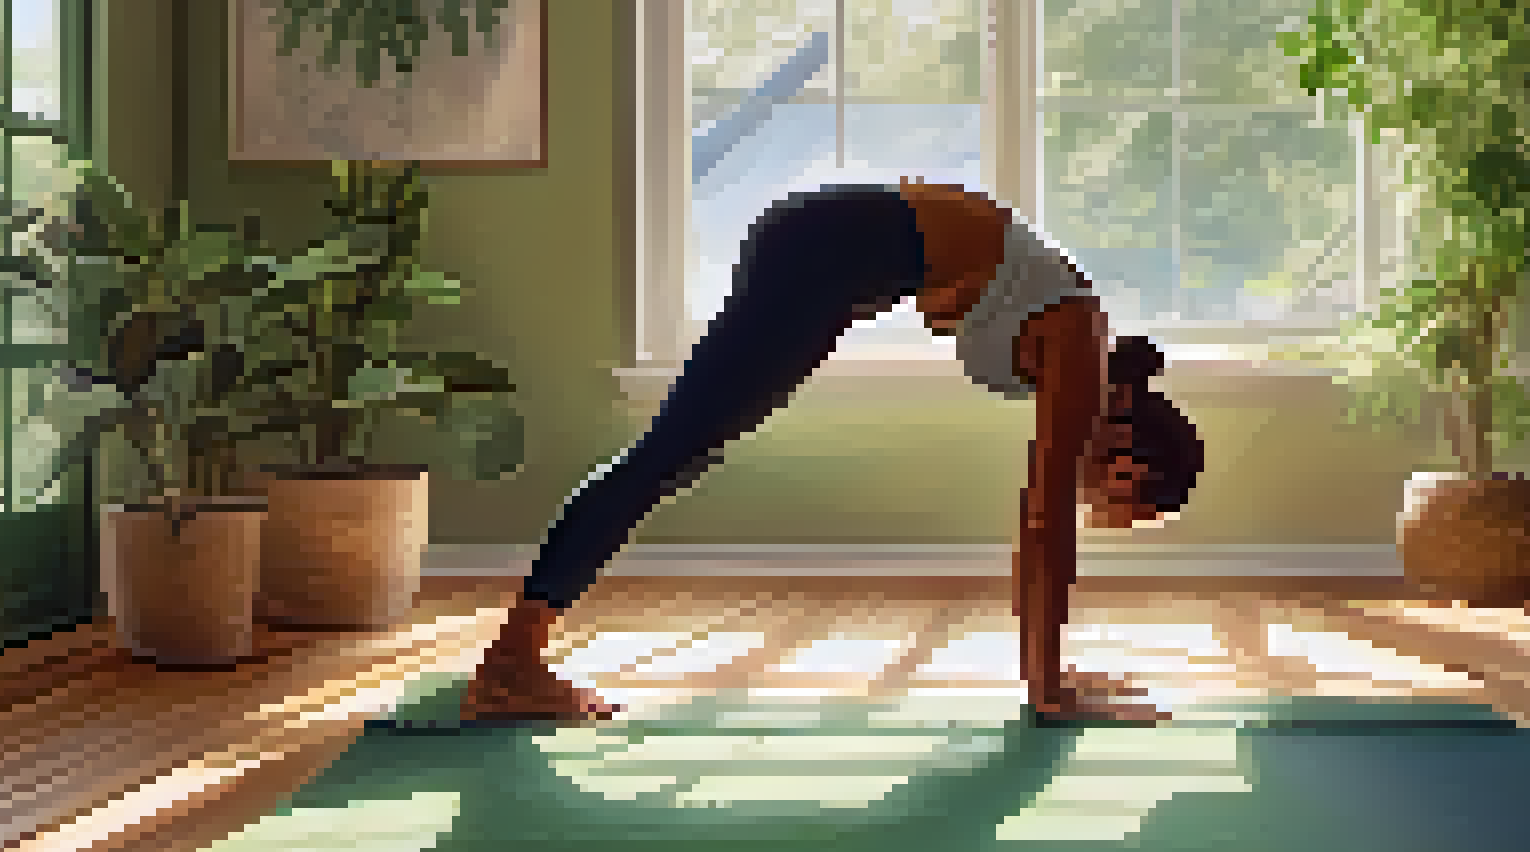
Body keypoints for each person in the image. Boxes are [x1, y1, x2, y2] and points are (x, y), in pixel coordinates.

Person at [460, 177, 1206, 724]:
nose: (1096, 504)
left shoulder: (1077, 340)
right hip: (825, 251)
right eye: (1120, 504)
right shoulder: (1082, 343)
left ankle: (515, 656)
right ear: (1129, 462)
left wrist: (1044, 671)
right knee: (665, 456)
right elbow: (1045, 525)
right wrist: (1051, 689)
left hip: (824, 254)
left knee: (675, 454)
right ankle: (512, 664)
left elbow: (1035, 524)